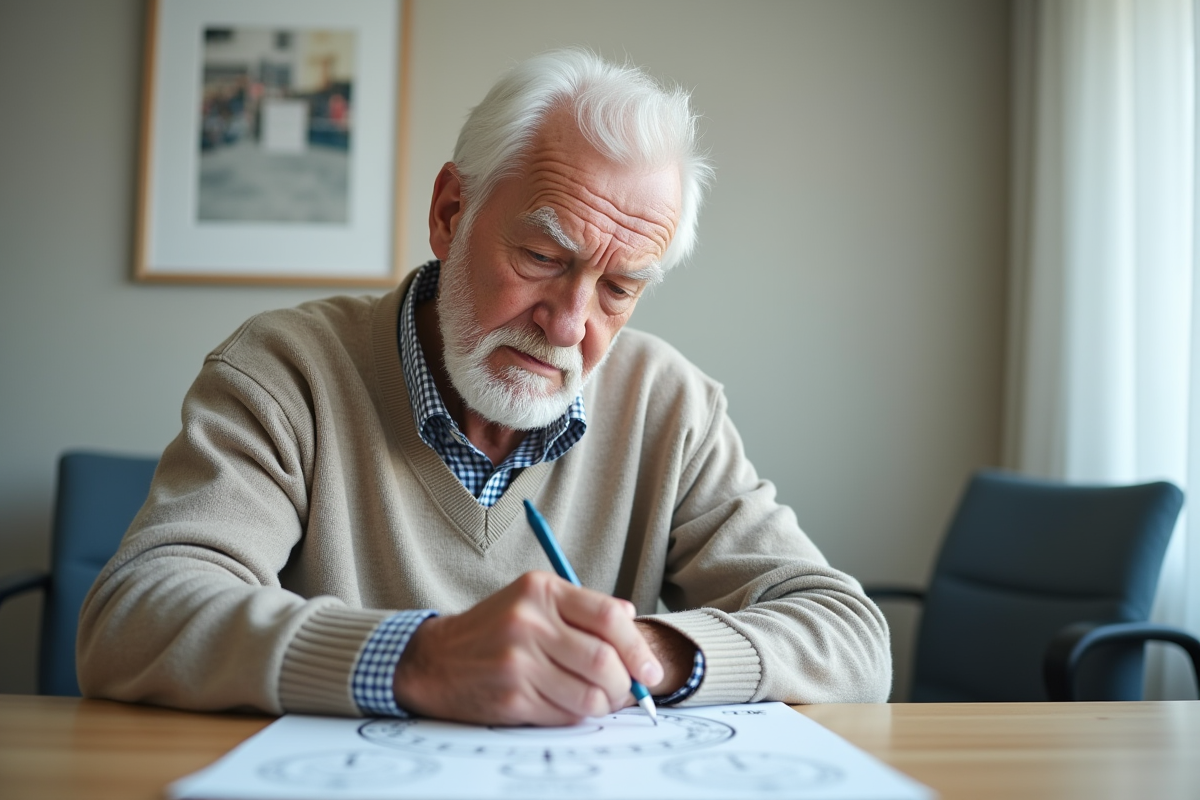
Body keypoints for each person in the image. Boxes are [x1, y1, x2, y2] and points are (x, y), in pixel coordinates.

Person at [78, 49, 891, 724]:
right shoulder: (287, 370)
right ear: (450, 211)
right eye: (543, 258)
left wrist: (648, 653)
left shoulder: (669, 405)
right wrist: (419, 658)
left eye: (619, 288)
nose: (570, 325)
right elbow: (133, 618)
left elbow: (851, 637)